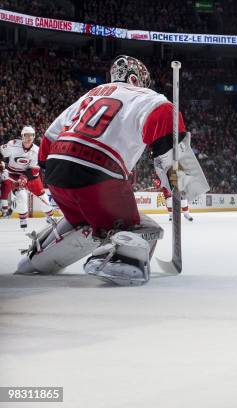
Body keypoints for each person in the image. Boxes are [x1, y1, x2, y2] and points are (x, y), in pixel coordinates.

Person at [16, 55, 209, 285]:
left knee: (85, 221)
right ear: (136, 78)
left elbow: (48, 138)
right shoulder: (148, 97)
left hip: (58, 174)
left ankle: (36, 258)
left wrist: (57, 171)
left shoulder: (90, 94)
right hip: (98, 177)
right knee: (145, 229)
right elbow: (164, 115)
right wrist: (181, 179)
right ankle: (116, 261)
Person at [0, 126, 54, 228]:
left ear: (34, 137)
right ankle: (23, 221)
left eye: (31, 135)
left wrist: (24, 177)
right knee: (21, 197)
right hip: (14, 175)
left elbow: (35, 169)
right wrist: (3, 165)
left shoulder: (37, 151)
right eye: (26, 135)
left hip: (31, 177)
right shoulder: (13, 145)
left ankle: (50, 217)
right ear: (22, 136)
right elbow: (2, 153)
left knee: (44, 197)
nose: (28, 138)